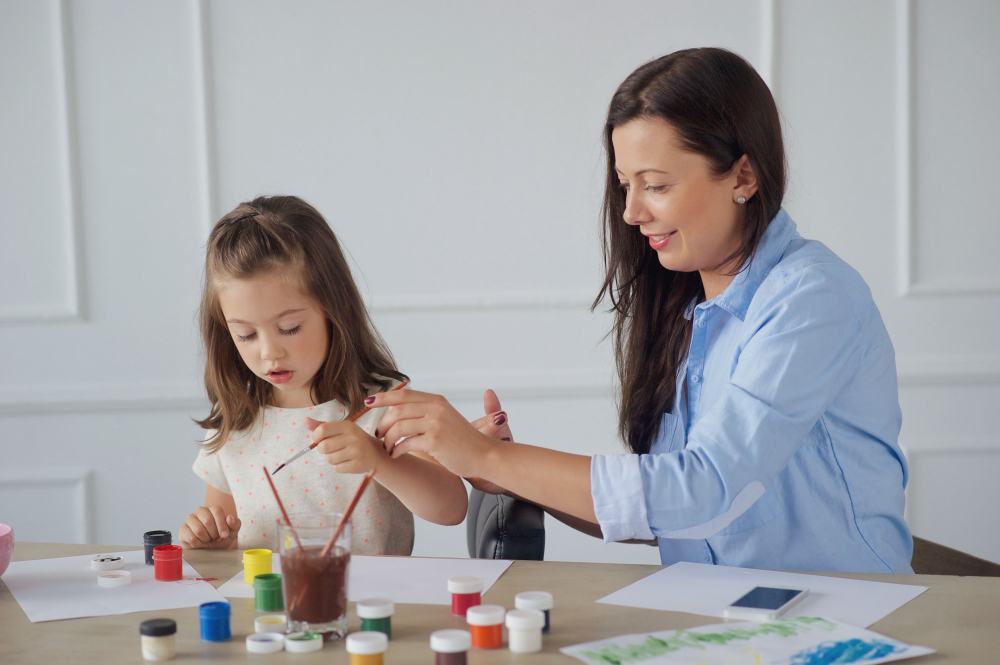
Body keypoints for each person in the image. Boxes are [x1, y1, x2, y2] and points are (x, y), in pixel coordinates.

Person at [367, 48, 913, 573]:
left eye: (655, 185)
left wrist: (487, 459)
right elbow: (670, 516)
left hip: (844, 620)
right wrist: (509, 471)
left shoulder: (812, 299)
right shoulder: (688, 309)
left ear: (743, 177)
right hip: (725, 617)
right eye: (625, 185)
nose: (630, 211)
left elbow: (704, 490)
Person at [181, 195, 467, 553]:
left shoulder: (383, 406)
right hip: (264, 606)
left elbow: (451, 509)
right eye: (246, 335)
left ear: (334, 309)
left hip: (369, 603)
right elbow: (224, 534)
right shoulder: (235, 421)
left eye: (289, 328)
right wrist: (209, 538)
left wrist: (378, 459)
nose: (270, 352)